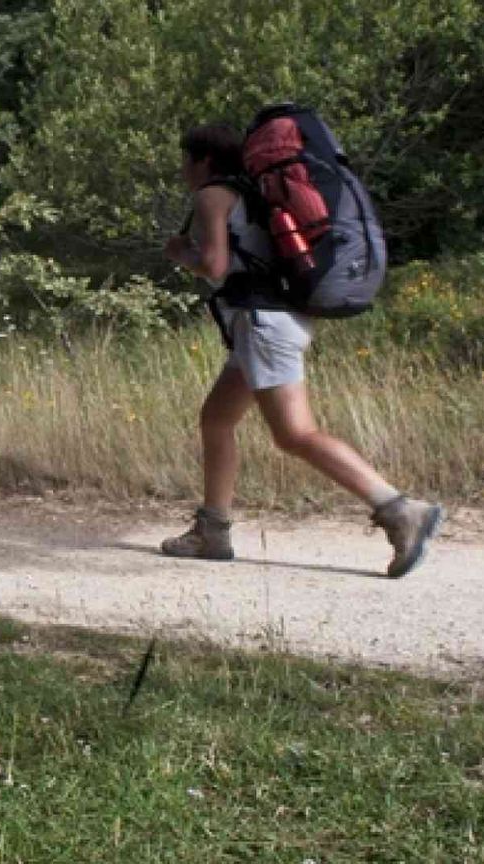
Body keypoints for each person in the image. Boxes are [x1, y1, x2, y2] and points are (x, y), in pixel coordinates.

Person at [161, 123, 444, 578]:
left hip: (262, 325)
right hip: (270, 321)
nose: (182, 171)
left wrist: (182, 253)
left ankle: (399, 510)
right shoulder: (253, 192)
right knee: (216, 418)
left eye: (185, 161)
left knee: (294, 433)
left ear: (203, 160)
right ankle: (212, 530)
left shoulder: (212, 195)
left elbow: (213, 266)